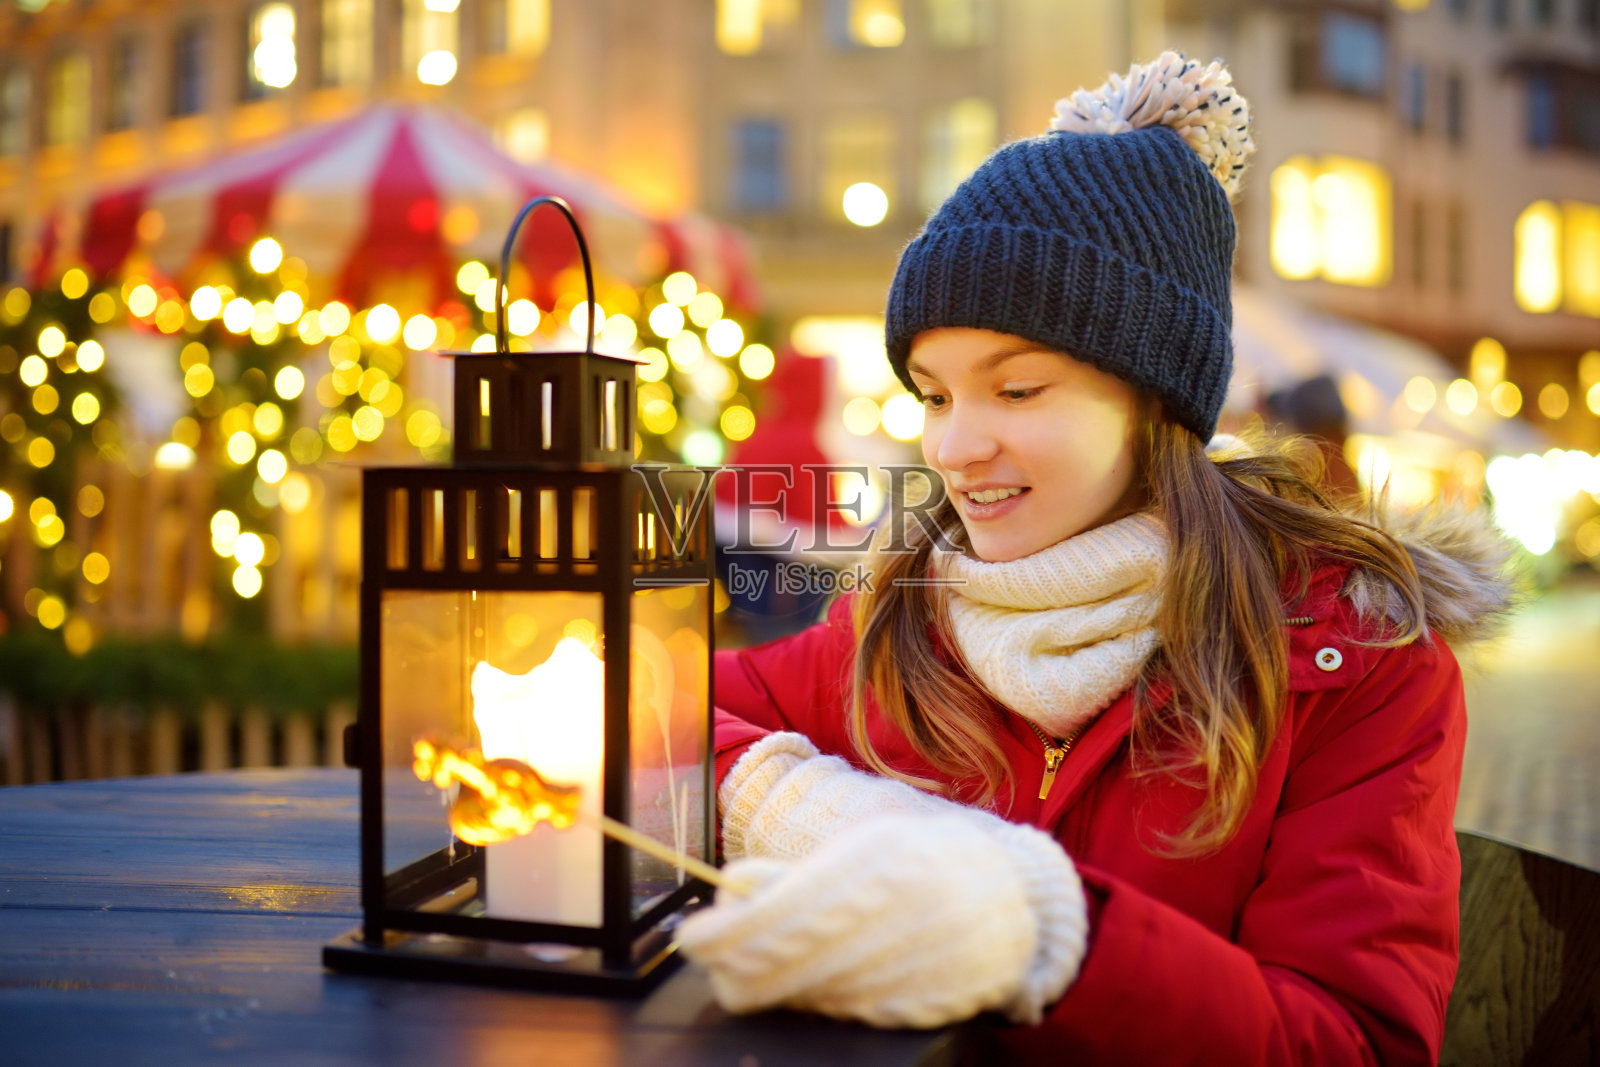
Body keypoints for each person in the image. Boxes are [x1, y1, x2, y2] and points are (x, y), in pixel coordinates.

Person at [677, 53, 1513, 1065]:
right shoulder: (899, 626)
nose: (951, 447)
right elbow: (641, 708)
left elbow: (1351, 1041)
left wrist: (1045, 933)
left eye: (1017, 389)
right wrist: (804, 806)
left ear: (1154, 396)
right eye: (934, 396)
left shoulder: (1355, 662)